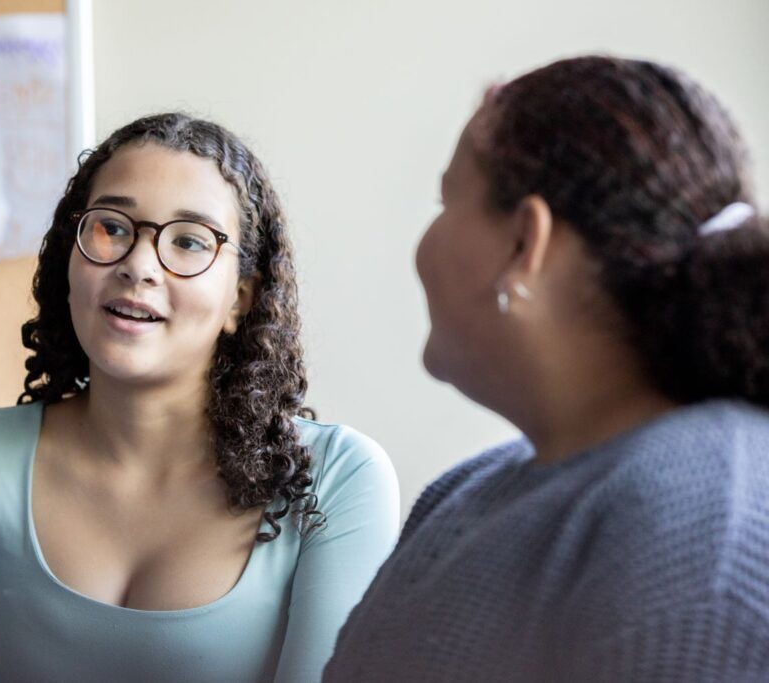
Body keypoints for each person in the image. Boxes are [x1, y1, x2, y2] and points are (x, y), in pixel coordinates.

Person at [0, 113, 399, 683]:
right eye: (112, 227)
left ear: (240, 299)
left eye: (188, 241)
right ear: (71, 258)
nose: (138, 265)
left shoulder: (338, 478)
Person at [324, 56, 769, 682]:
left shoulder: (703, 543)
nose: (424, 242)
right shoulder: (466, 491)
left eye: (446, 200)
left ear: (523, 244)